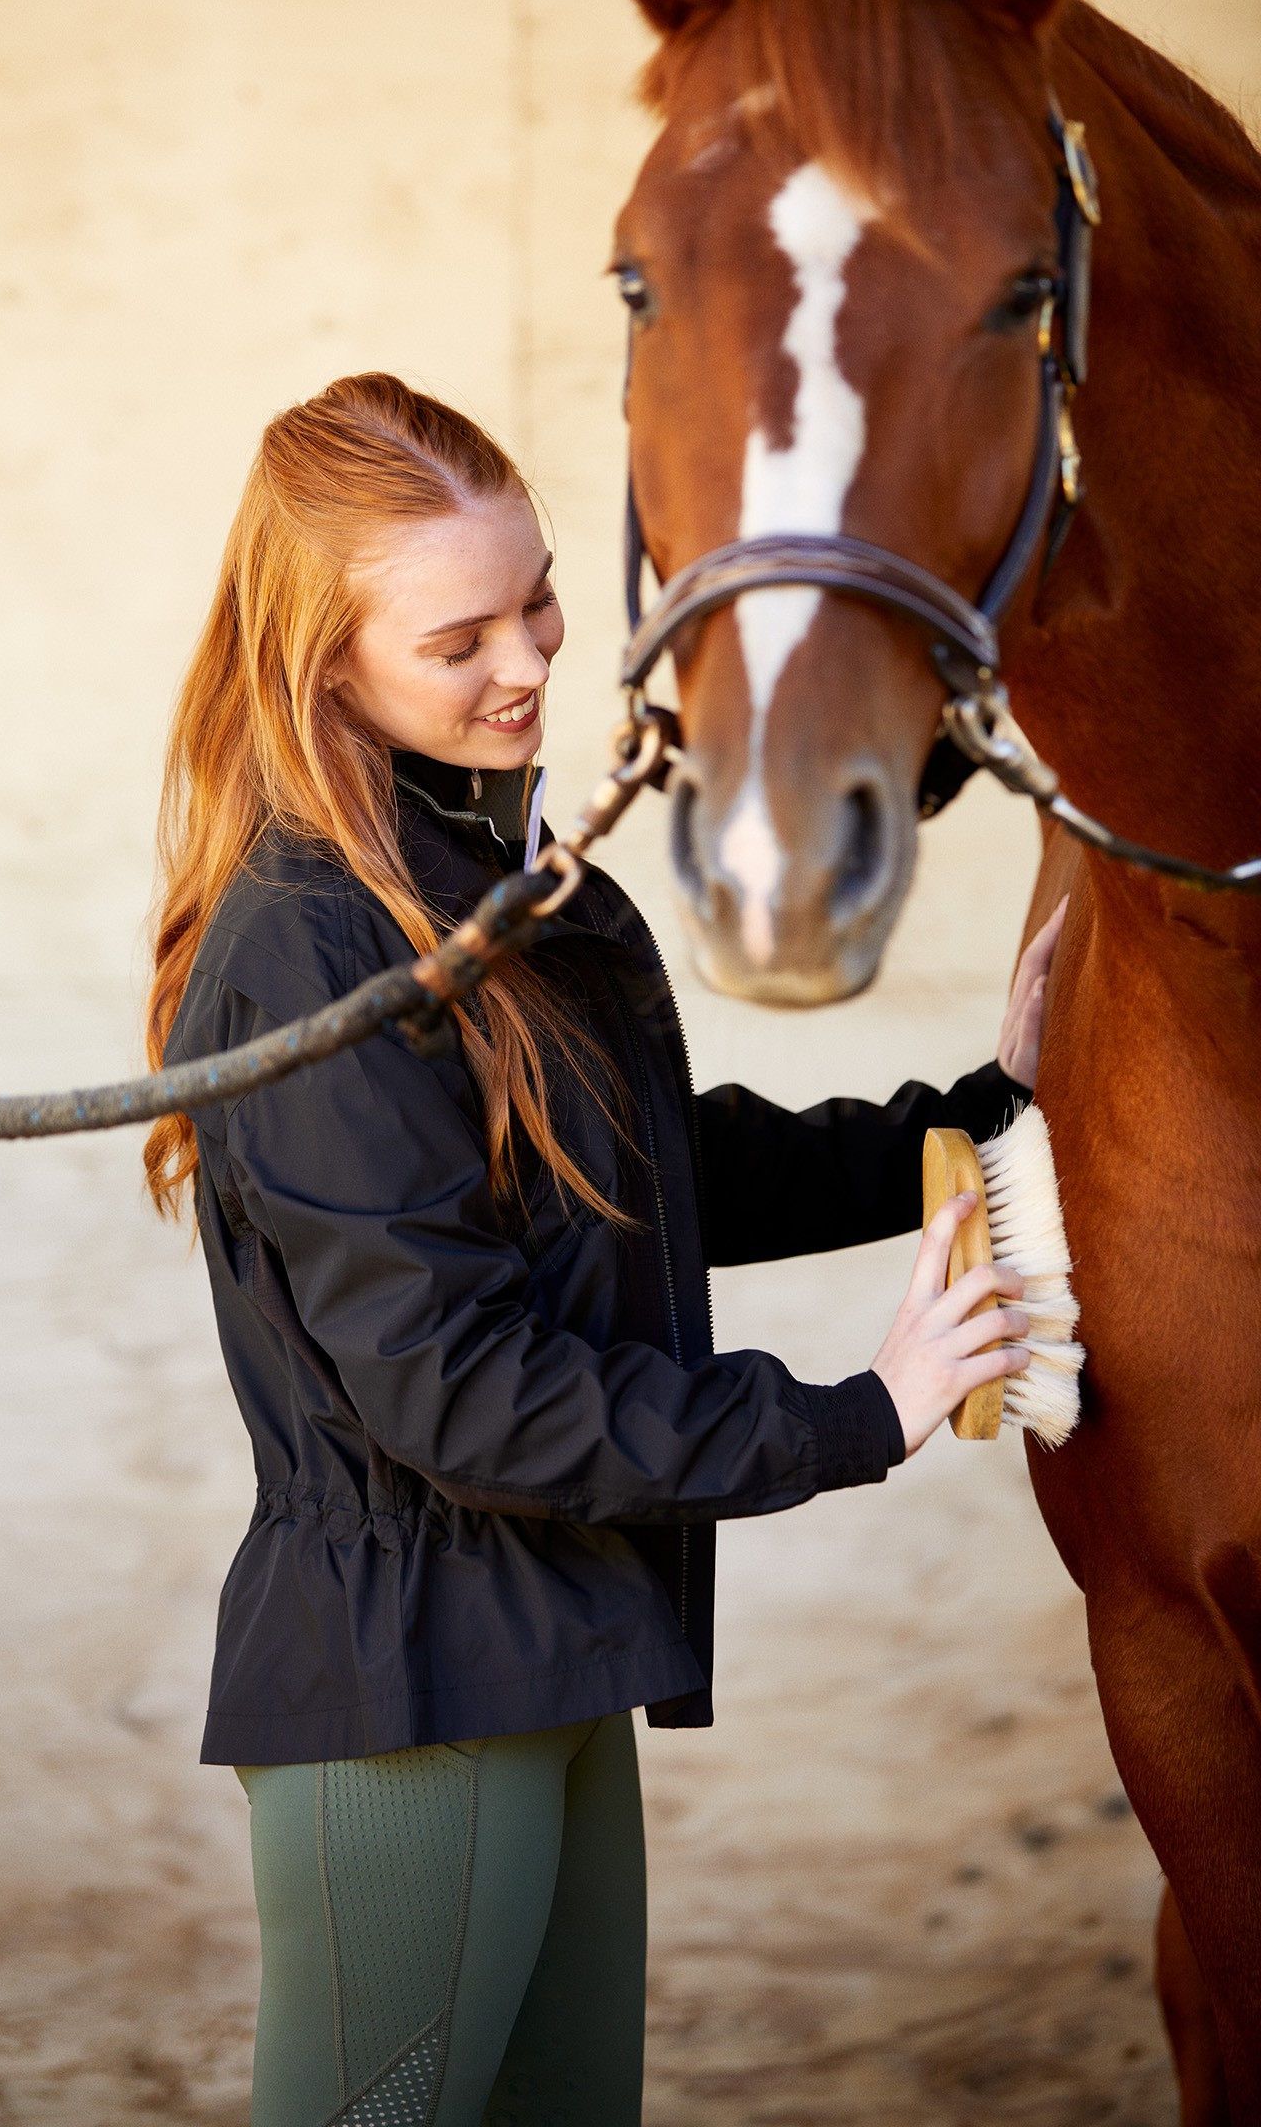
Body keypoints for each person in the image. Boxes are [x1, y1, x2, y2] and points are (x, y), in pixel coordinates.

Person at [143, 373, 1060, 2127]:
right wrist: (857, 1412)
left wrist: (987, 1103)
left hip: (558, 1646)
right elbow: (461, 1394)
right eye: (459, 636)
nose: (528, 661)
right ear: (327, 662)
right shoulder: (313, 944)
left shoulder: (484, 864)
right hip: (405, 1694)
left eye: (542, 597)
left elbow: (647, 1175)